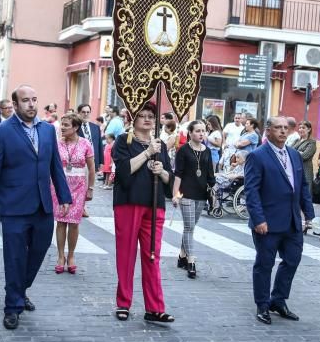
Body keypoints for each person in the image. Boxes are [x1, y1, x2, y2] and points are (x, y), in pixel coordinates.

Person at [0, 85, 71, 330]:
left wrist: (64, 196)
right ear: (16, 105)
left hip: (43, 206)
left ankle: (20, 289)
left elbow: (55, 166)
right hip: (14, 207)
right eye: (26, 101)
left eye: (34, 99)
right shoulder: (1, 131)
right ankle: (12, 307)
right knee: (15, 257)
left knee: (38, 253)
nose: (31, 104)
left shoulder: (48, 130)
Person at [244, 116, 316, 325]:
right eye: (278, 128)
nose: (283, 131)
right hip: (267, 221)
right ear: (268, 131)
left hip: (292, 220)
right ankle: (263, 304)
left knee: (292, 259)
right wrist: (258, 219)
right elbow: (251, 190)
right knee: (265, 264)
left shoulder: (294, 155)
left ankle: (279, 299)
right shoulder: (257, 156)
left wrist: (308, 212)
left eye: (286, 128)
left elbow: (302, 185)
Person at [110, 103, 173, 323]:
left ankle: (155, 307)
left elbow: (170, 180)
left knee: (152, 255)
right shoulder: (123, 141)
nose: (147, 119)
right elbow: (124, 172)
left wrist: (162, 171)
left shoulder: (161, 145)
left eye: (151, 116)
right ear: (133, 119)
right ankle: (123, 303)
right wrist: (147, 153)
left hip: (154, 204)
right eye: (142, 116)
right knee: (126, 254)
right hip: (129, 202)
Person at [51, 112, 94, 275]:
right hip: (59, 185)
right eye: (62, 124)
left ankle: (71, 256)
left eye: (66, 125)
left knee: (74, 223)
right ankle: (60, 256)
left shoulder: (85, 144)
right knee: (61, 221)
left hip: (79, 186)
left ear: (75, 127)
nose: (62, 128)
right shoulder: (56, 143)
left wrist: (90, 188)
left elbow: (91, 168)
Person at [172, 120, 216, 280]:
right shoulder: (183, 150)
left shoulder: (207, 151)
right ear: (190, 133)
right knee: (189, 227)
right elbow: (178, 174)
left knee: (190, 227)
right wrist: (175, 194)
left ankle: (182, 255)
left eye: (203, 131)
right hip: (186, 193)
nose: (201, 133)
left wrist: (213, 190)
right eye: (197, 131)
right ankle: (191, 261)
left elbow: (210, 174)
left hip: (201, 194)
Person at [290, 120, 317, 231]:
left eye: (303, 128)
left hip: (305, 171)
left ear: (309, 129)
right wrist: (298, 153)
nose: (301, 130)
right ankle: (298, 221)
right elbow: (288, 151)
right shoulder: (297, 140)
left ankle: (308, 221)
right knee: (295, 196)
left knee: (305, 197)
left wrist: (297, 153)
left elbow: (304, 156)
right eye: (300, 127)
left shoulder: (311, 143)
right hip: (294, 171)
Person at [76, 103, 104, 172]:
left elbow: (99, 145)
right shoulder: (75, 127)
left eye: (88, 112)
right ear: (78, 113)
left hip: (94, 161)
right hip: (79, 162)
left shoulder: (96, 127)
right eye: (83, 112)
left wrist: (101, 161)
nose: (86, 114)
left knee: (92, 182)